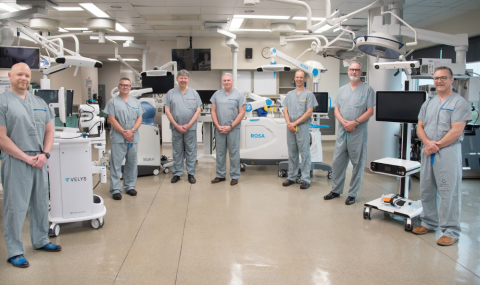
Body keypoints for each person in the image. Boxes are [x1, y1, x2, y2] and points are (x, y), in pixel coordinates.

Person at [0, 63, 61, 268]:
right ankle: (15, 250)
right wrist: (26, 158)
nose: (23, 78)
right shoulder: (2, 102)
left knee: (40, 202)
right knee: (15, 207)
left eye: (27, 75)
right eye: (19, 74)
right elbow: (1, 138)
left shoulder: (39, 102)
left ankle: (41, 239)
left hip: (40, 160)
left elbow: (49, 132)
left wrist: (45, 154)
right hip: (16, 160)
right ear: (10, 75)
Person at [412, 66, 471, 246]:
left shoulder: (459, 103)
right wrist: (428, 144)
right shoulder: (428, 102)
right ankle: (429, 222)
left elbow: (456, 131)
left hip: (447, 152)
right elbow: (419, 126)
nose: (439, 81)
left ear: (451, 80)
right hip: (428, 150)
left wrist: (435, 145)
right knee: (427, 189)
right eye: (436, 78)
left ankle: (451, 231)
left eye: (443, 78)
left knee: (449, 192)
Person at [324, 62, 374, 205]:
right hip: (342, 131)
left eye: (357, 70)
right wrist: (343, 122)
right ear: (348, 71)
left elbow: (370, 111)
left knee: (357, 164)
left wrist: (355, 123)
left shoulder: (368, 90)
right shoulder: (342, 90)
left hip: (358, 133)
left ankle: (352, 194)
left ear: (361, 72)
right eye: (352, 69)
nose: (354, 72)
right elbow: (336, 109)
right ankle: (335, 190)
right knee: (338, 162)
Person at [104, 78, 145, 200]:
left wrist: (132, 131)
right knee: (116, 164)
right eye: (123, 85)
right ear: (118, 86)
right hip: (118, 137)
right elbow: (112, 120)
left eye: (127, 85)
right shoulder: (113, 102)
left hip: (133, 136)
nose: (125, 87)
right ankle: (115, 189)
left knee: (132, 163)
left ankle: (129, 186)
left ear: (130, 87)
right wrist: (123, 132)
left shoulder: (136, 102)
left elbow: (139, 118)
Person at [281, 70, 318, 190]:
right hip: (290, 127)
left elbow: (309, 112)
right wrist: (289, 123)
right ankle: (292, 177)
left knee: (305, 153)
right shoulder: (289, 94)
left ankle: (305, 179)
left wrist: (295, 123)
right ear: (294, 78)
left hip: (302, 126)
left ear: (305, 79)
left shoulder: (309, 94)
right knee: (292, 152)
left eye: (301, 77)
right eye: (297, 77)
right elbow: (285, 110)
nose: (299, 79)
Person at [164, 70, 202, 184]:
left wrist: (189, 124)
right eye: (181, 78)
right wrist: (176, 125)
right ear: (177, 79)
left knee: (191, 151)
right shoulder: (170, 93)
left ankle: (191, 174)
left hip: (190, 128)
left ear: (188, 79)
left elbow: (198, 110)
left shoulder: (194, 93)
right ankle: (177, 173)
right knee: (177, 151)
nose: (183, 80)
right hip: (176, 127)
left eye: (185, 78)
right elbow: (167, 111)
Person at [210, 73, 246, 186]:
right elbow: (213, 111)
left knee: (234, 152)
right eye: (224, 80)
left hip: (233, 129)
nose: (226, 82)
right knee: (220, 152)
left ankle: (235, 176)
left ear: (233, 81)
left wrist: (231, 126)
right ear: (222, 82)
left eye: (228, 80)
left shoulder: (239, 95)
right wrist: (217, 125)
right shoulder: (217, 94)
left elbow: (242, 113)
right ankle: (220, 175)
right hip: (220, 128)